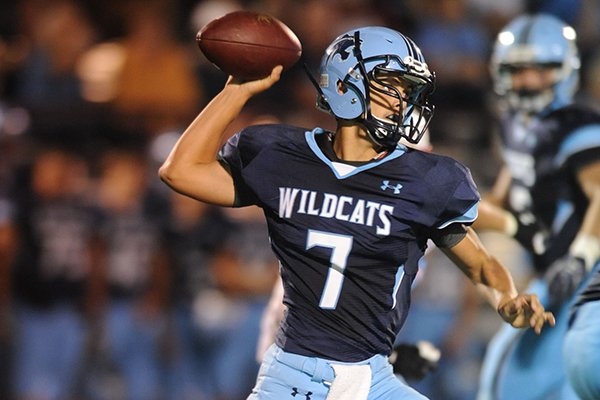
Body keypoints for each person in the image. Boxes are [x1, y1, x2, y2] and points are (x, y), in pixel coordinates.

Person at [159, 26, 554, 399]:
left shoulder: (426, 178)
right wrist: (238, 89)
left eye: (407, 90)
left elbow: (481, 264)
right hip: (291, 375)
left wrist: (508, 299)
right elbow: (180, 171)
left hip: (371, 377)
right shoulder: (284, 157)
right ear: (347, 85)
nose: (403, 101)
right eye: (392, 87)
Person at [473, 14, 600, 400]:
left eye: (540, 71)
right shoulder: (514, 124)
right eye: (518, 71)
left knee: (582, 366)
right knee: (504, 381)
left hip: (588, 273)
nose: (528, 82)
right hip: (557, 277)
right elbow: (503, 199)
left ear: (564, 70)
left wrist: (580, 256)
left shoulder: (578, 126)